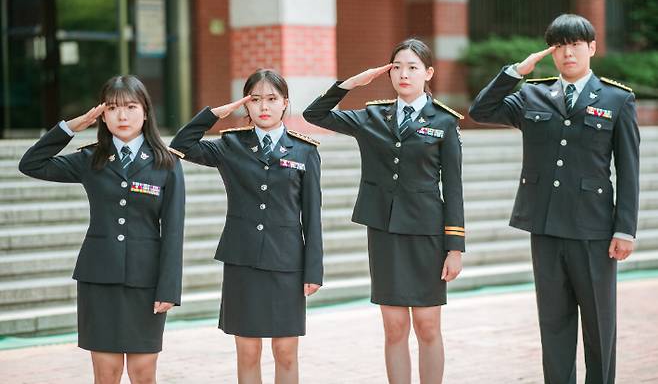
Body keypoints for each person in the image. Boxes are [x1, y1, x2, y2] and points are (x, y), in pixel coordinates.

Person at [469, 13, 640, 384]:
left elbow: (628, 170)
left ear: (592, 48)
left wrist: (624, 229)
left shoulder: (616, 99)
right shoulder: (532, 93)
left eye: (576, 44)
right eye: (560, 46)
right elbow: (480, 110)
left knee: (599, 325)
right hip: (545, 227)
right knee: (554, 324)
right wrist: (517, 71)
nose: (568, 53)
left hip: (594, 230)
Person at [303, 38, 464, 384]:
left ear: (428, 73)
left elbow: (453, 187)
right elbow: (313, 115)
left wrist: (455, 247)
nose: (404, 74)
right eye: (397, 67)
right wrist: (352, 83)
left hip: (427, 235)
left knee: (428, 326)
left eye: (412, 67)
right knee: (393, 328)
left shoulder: (445, 122)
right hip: (385, 231)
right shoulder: (372, 116)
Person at [18, 75, 186, 384]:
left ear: (146, 112)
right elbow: (31, 164)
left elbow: (174, 232)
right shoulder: (90, 159)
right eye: (113, 108)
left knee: (143, 373)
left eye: (131, 107)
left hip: (146, 282)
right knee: (106, 374)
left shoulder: (167, 163)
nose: (122, 116)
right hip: (99, 280)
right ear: (102, 114)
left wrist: (169, 288)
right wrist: (72, 126)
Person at [169, 68, 323, 384]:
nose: (264, 107)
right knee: (248, 352)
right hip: (242, 261)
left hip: (287, 263)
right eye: (255, 99)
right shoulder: (230, 145)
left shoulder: (305, 150)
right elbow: (181, 144)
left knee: (286, 352)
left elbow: (312, 215)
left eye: (272, 99)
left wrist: (313, 270)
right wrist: (215, 114)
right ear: (246, 104)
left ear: (285, 104)